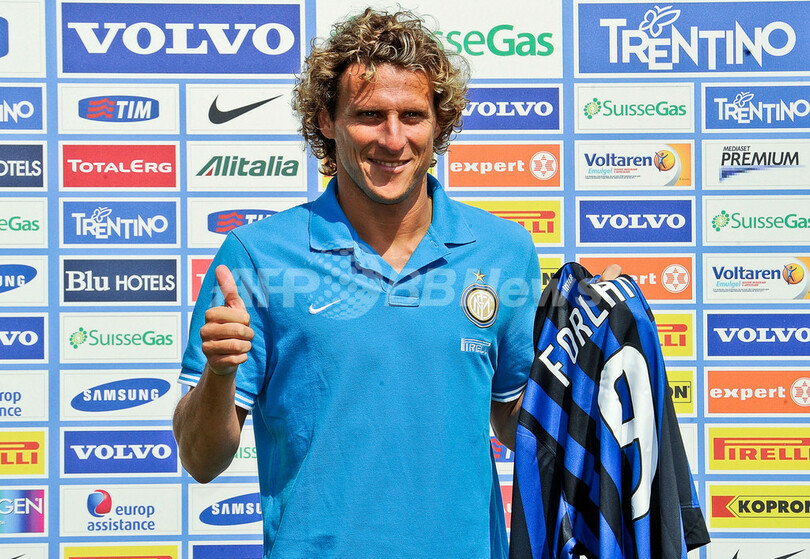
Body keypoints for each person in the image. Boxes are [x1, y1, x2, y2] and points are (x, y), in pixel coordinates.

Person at [173, 7, 616, 557]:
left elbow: (515, 421)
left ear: (439, 124)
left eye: (412, 115)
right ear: (326, 120)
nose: (393, 138)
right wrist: (219, 374)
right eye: (368, 115)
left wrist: (590, 344)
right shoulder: (256, 255)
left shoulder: (504, 249)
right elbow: (201, 460)